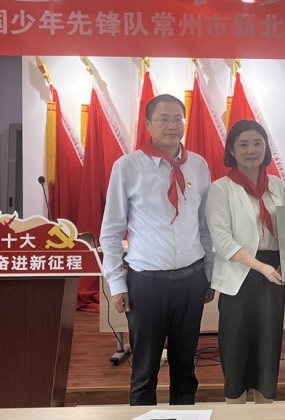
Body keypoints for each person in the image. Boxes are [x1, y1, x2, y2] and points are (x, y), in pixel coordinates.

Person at [100, 94, 215, 406]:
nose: (171, 125)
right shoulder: (128, 167)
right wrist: (116, 283)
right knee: (144, 370)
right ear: (148, 124)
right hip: (147, 283)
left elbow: (205, 225)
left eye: (177, 119)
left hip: (192, 280)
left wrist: (209, 273)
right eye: (163, 119)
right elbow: (111, 231)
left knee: (185, 368)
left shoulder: (198, 166)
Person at [205, 120, 285, 404]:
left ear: (266, 148)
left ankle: (265, 407)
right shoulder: (220, 189)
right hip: (240, 275)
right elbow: (222, 241)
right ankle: (235, 408)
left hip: (274, 274)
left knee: (268, 346)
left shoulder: (276, 185)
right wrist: (260, 267)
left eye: (257, 144)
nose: (252, 150)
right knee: (236, 346)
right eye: (243, 144)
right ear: (231, 150)